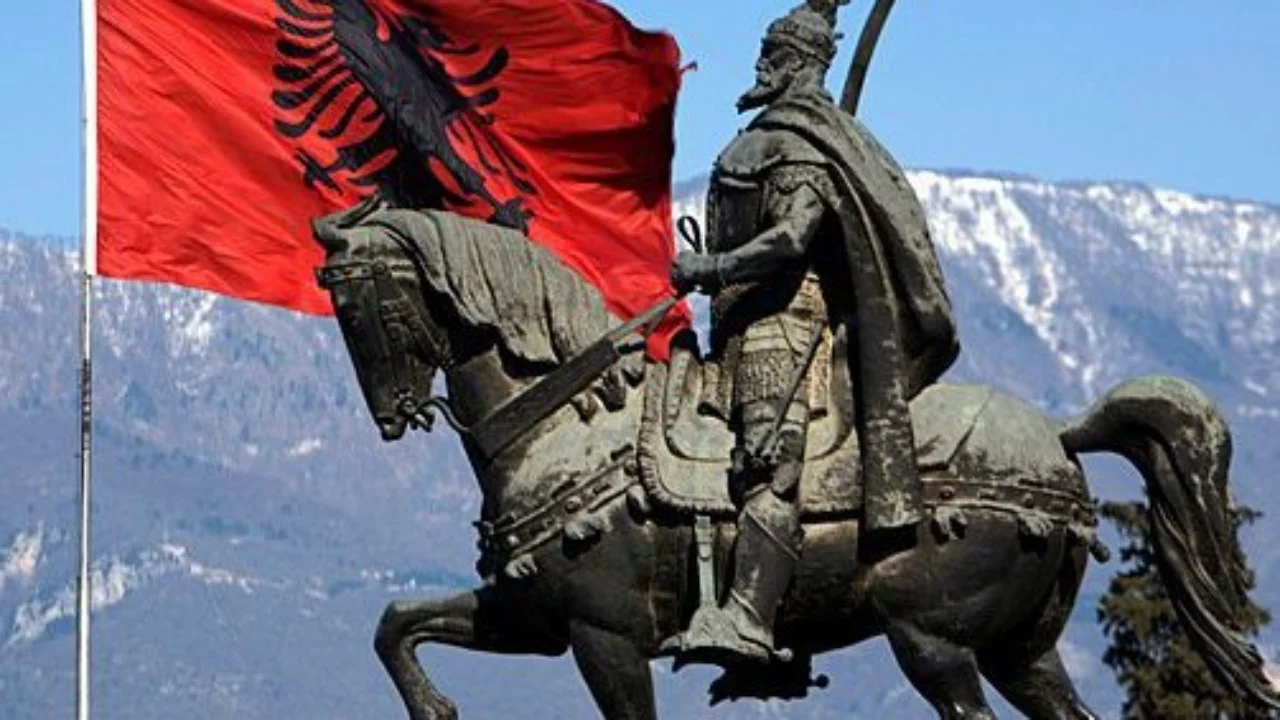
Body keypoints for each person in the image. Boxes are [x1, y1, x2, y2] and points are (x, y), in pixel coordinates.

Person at [668, 0, 959, 664]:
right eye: (762, 53)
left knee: (768, 466)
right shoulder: (781, 133)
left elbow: (793, 238)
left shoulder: (802, 145)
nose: (760, 66)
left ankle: (749, 617)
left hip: (783, 328)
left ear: (800, 64)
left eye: (772, 56)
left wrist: (709, 268)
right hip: (735, 325)